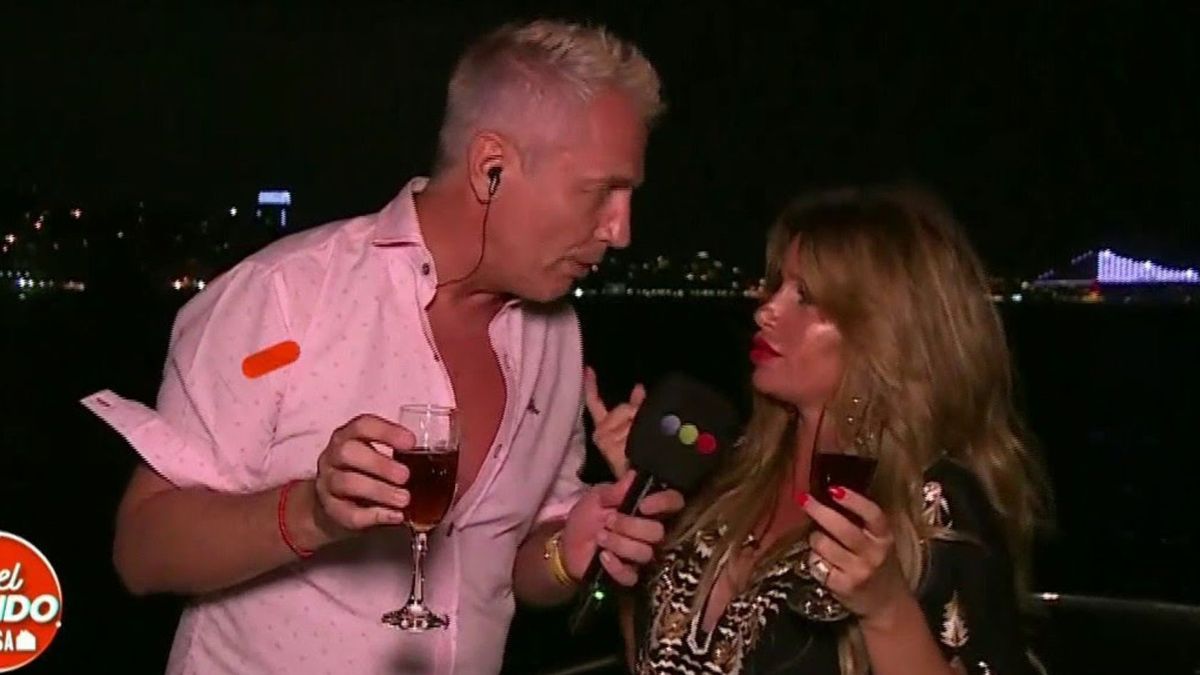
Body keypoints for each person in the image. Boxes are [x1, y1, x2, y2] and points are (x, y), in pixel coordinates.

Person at [81, 19, 682, 674]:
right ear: (492, 168)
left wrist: (567, 550)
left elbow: (511, 565)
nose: (620, 231)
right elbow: (142, 552)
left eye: (628, 197)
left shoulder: (556, 334)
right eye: (600, 192)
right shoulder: (284, 295)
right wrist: (311, 513)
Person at [587, 186, 1052, 675]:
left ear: (885, 330)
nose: (765, 310)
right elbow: (656, 658)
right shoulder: (728, 475)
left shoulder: (933, 506)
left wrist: (887, 611)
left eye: (805, 297)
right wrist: (636, 505)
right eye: (778, 286)